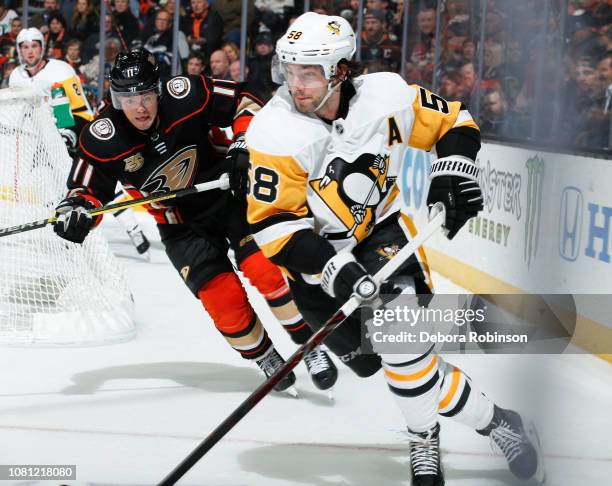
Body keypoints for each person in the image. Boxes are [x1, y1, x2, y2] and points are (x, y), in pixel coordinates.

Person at [246, 12, 544, 485]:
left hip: (383, 240)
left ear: (341, 71)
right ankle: (501, 421)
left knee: (403, 352)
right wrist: (335, 270)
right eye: (289, 70)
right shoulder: (274, 130)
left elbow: (455, 121)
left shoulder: (385, 95)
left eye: (309, 73)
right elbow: (275, 228)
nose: (295, 84)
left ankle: (423, 442)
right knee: (386, 364)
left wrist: (454, 169)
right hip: (315, 264)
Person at [52, 47, 338, 393]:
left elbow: (245, 100)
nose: (139, 107)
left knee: (267, 271)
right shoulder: (102, 137)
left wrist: (244, 146)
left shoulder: (185, 95)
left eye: (145, 94)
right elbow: (84, 191)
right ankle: (267, 358)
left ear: (158, 89)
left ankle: (309, 346)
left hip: (230, 199)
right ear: (115, 99)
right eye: (128, 98)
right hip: (180, 226)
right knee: (224, 303)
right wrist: (76, 214)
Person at [9, 28, 151, 258]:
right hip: (44, 139)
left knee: (98, 182)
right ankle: (62, 233)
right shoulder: (16, 76)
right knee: (50, 183)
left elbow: (79, 106)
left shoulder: (60, 69)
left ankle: (134, 229)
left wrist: (69, 130)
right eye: (25, 47)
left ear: (42, 47)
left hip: (78, 131)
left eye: (34, 46)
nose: (30, 51)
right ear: (18, 50)